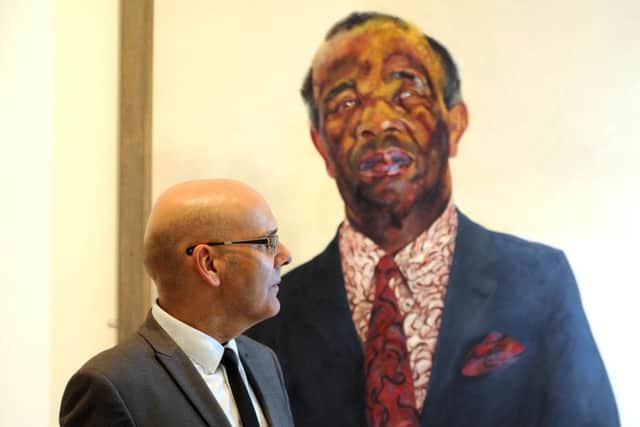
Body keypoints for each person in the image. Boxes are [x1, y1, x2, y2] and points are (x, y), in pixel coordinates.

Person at [247, 12, 619, 427]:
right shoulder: (273, 312)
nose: (376, 123)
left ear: (455, 124)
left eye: (406, 93)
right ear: (321, 146)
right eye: (345, 103)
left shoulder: (541, 280)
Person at [60, 179, 294, 427]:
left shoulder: (264, 362)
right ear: (209, 264)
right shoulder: (112, 386)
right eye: (268, 243)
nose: (285, 256)